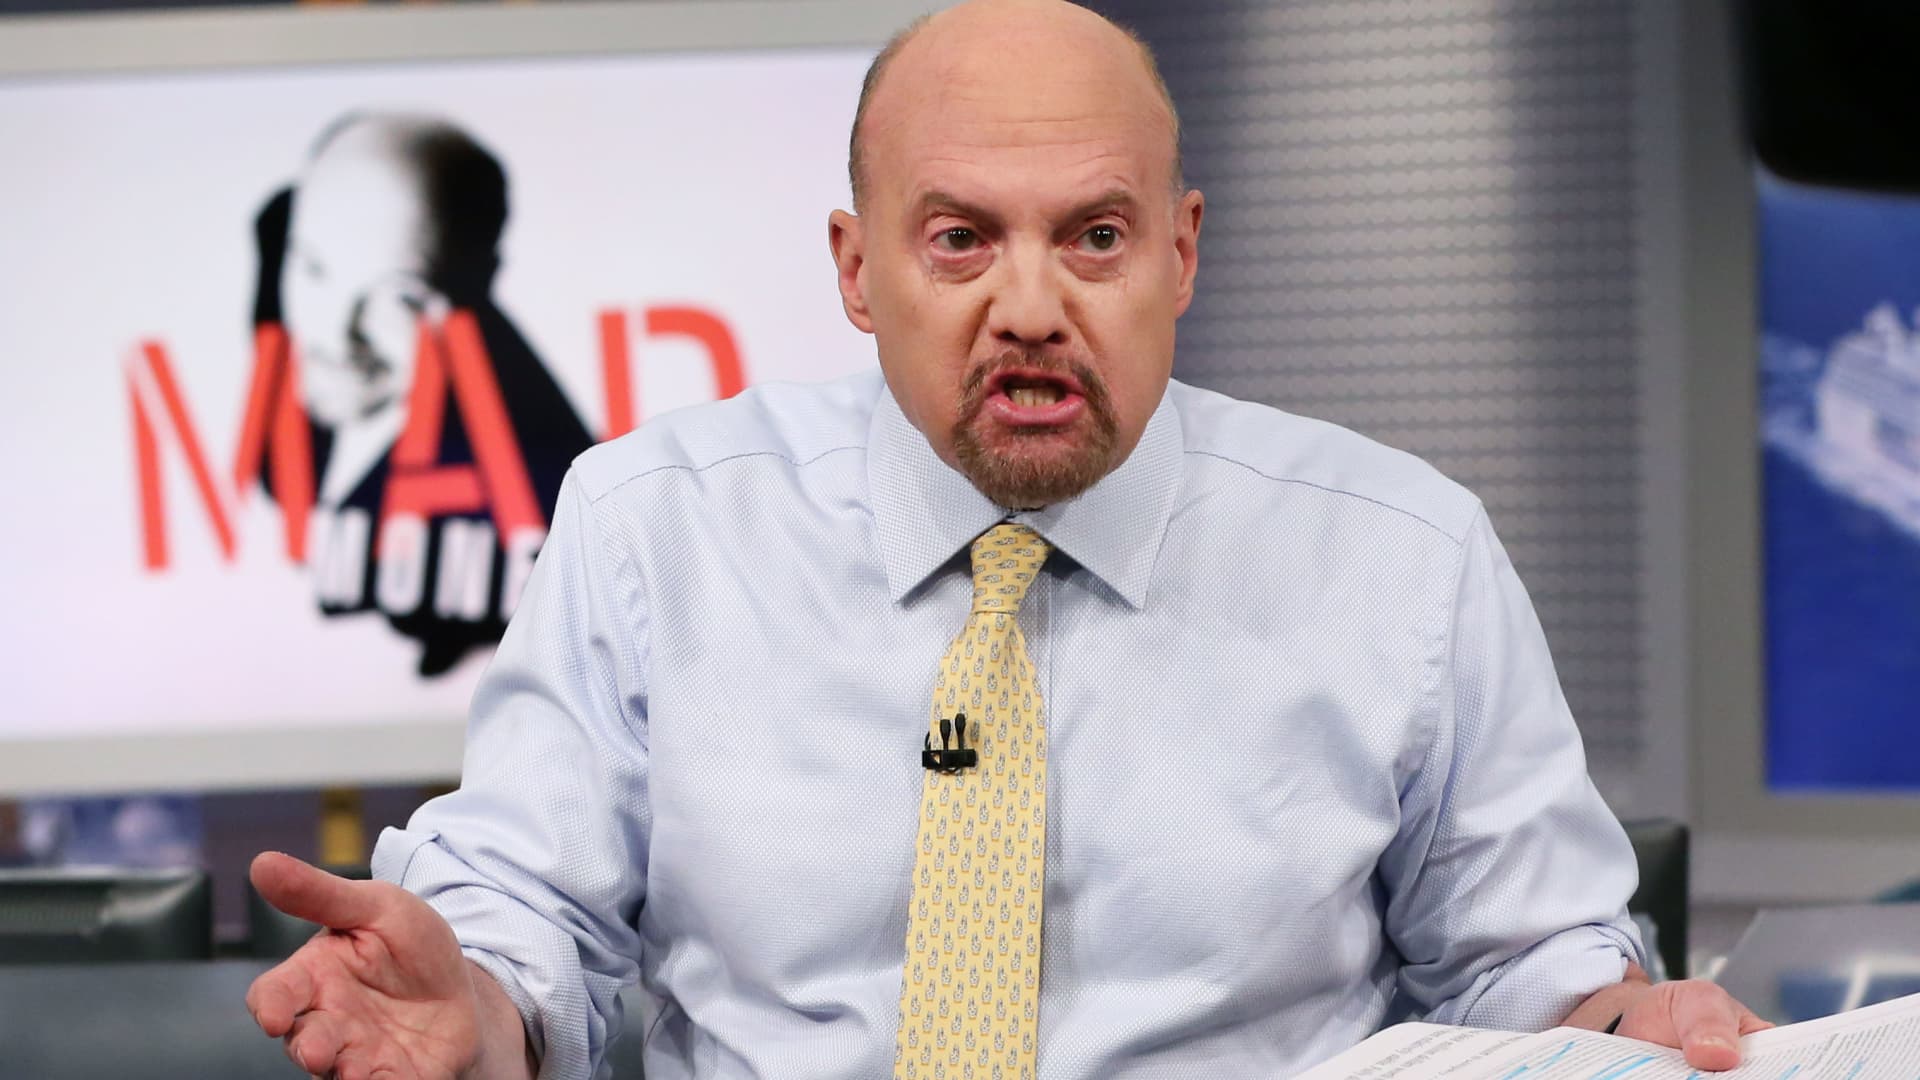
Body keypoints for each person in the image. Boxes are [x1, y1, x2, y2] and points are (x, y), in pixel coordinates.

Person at [245, 3, 1767, 1078]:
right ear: (858, 269)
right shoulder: (655, 531)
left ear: (1181, 253)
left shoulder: (1404, 560)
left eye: (1095, 236)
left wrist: (1622, 1027)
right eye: (960, 238)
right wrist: (477, 1010)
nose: (1030, 308)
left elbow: (1526, 972)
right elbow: (531, 920)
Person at [258, 113, 594, 677]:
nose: (335, 336)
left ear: (475, 289)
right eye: (312, 269)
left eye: (398, 298)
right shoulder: (281, 426)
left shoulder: (549, 498)